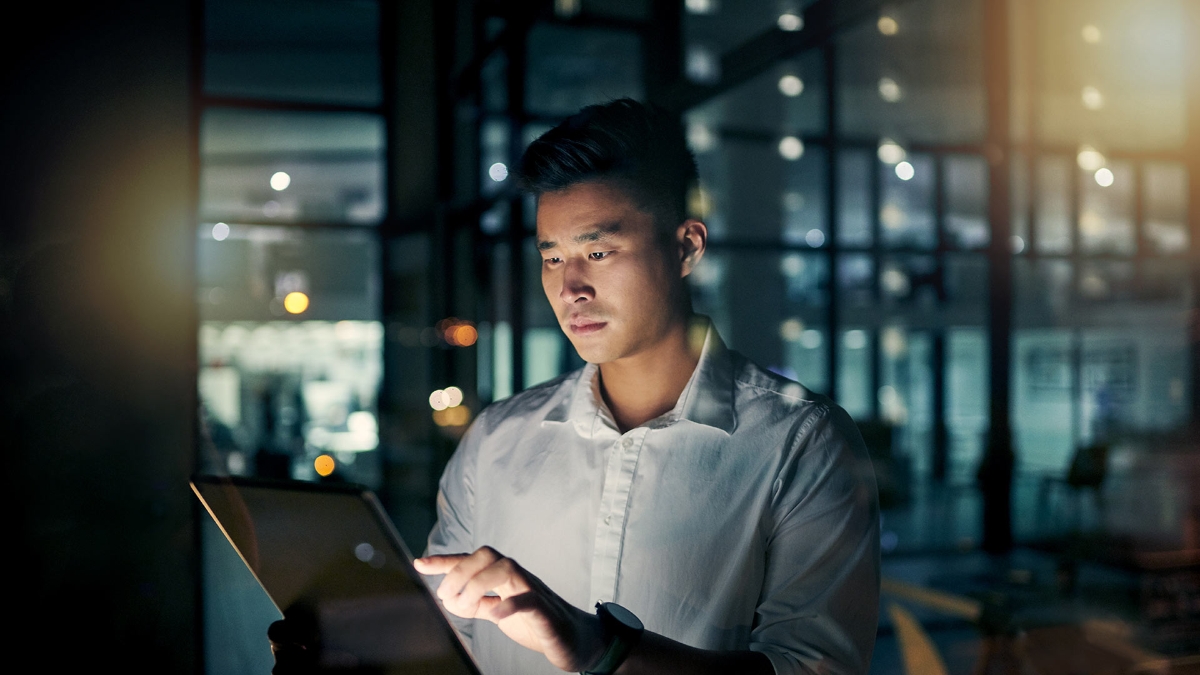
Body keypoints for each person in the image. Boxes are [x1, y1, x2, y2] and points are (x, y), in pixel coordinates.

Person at [272, 98, 879, 674]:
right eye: (554, 258)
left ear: (686, 245)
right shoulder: (497, 440)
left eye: (599, 250)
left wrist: (601, 650)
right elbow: (448, 640)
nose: (571, 289)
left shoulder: (798, 441)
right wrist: (346, 642)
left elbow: (814, 666)